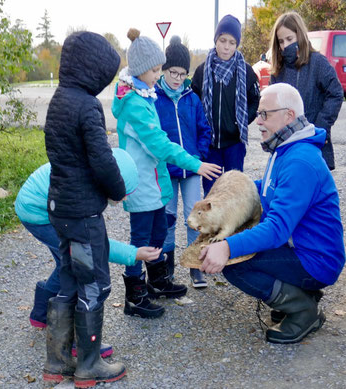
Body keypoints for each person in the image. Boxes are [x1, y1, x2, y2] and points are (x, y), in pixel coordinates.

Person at [199, 83, 346, 345]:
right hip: (303, 250)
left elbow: (277, 229)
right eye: (258, 114)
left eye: (265, 114)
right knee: (237, 244)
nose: (257, 121)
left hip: (317, 261)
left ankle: (303, 310)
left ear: (289, 116)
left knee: (236, 263)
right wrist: (224, 203)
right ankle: (301, 294)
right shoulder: (286, 148)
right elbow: (266, 190)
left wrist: (227, 247)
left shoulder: (299, 161)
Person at [112, 28, 222, 320]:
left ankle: (157, 281)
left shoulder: (144, 93)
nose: (159, 75)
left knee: (160, 230)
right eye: (156, 70)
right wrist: (195, 164)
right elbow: (159, 143)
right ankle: (135, 296)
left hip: (156, 181)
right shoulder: (134, 103)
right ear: (141, 70)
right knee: (141, 239)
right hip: (142, 183)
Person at [15, 148, 162, 356]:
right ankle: (77, 341)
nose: (122, 201)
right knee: (77, 268)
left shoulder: (87, 175)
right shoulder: (82, 199)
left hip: (34, 204)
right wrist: (134, 254)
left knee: (65, 263)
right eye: (121, 195)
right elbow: (95, 245)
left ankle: (41, 313)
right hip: (38, 214)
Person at [43, 31, 127, 387]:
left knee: (68, 279)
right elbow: (102, 159)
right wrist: (118, 190)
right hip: (82, 215)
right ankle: (89, 364)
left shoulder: (59, 98)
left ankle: (57, 361)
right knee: (92, 282)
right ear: (93, 70)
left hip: (59, 208)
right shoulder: (87, 105)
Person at [154, 36, 212, 289]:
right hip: (166, 169)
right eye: (173, 72)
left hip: (191, 169)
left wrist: (198, 156)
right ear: (164, 71)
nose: (177, 78)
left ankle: (194, 265)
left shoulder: (192, 99)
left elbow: (204, 130)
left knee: (194, 216)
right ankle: (166, 267)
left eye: (182, 73)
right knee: (167, 217)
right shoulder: (154, 98)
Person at [192, 14, 260, 196]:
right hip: (210, 145)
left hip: (234, 145)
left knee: (234, 193)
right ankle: (213, 225)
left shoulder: (246, 71)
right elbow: (194, 103)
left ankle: (235, 226)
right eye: (223, 40)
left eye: (232, 42)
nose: (226, 46)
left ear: (236, 44)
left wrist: (242, 122)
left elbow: (256, 100)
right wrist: (202, 127)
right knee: (212, 194)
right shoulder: (202, 70)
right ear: (216, 40)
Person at [269, 11, 343, 171]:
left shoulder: (318, 62)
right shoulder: (277, 71)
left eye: (289, 39)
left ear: (300, 35)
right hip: (285, 145)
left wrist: (320, 126)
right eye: (281, 41)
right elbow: (271, 107)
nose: (285, 45)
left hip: (314, 143)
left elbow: (336, 93)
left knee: (315, 191)